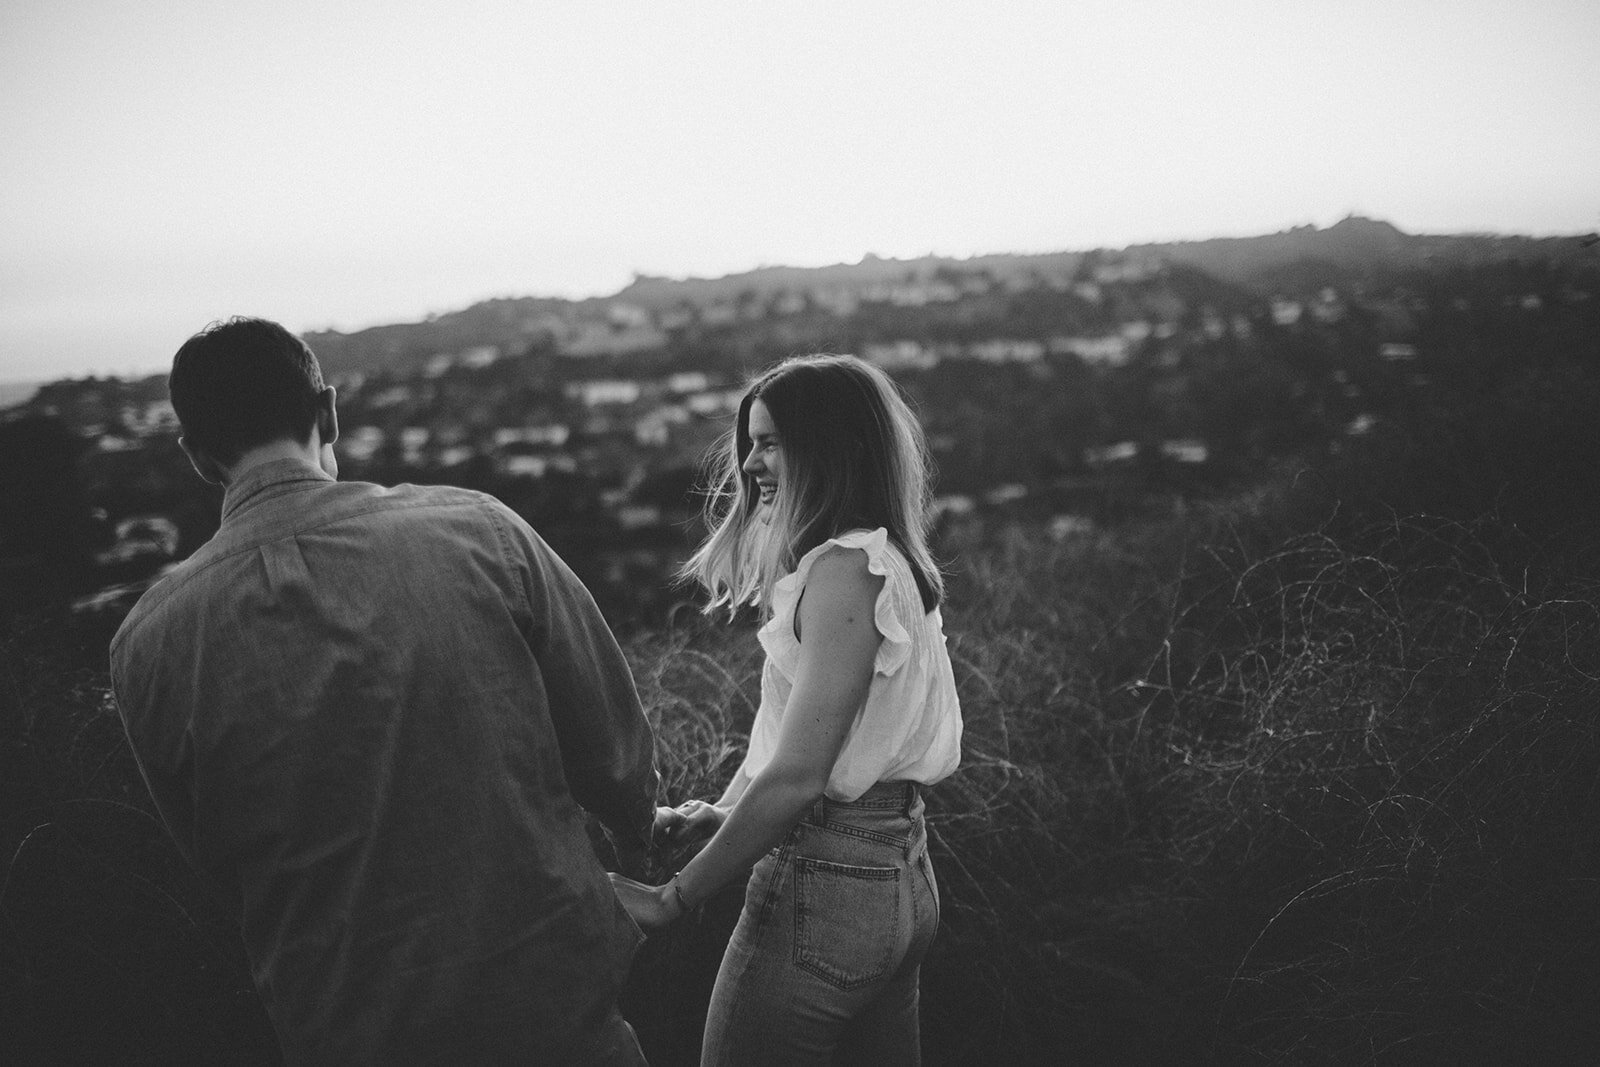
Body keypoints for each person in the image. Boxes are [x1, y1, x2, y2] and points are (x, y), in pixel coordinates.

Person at [110, 317, 658, 1065]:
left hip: (347, 1024)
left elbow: (214, 857)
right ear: (328, 410)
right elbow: (615, 752)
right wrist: (638, 841)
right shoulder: (479, 530)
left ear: (199, 457)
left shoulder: (149, 642)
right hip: (550, 996)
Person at [611, 353, 963, 1065]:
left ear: (830, 446)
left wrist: (671, 898)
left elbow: (800, 776)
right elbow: (793, 743)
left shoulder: (842, 571)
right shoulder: (886, 560)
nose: (749, 462)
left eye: (771, 442)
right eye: (750, 441)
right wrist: (726, 812)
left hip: (826, 888)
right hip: (899, 875)